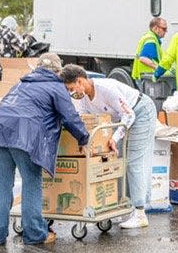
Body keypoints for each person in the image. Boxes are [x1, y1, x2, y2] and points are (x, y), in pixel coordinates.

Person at [0, 53, 89, 246]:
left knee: (1, 185)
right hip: (24, 137)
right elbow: (70, 116)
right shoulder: (55, 86)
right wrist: (84, 138)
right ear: (58, 71)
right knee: (31, 182)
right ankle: (35, 234)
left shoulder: (21, 84)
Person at [60, 64, 157, 229]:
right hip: (120, 120)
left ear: (79, 81)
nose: (71, 93)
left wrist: (115, 137)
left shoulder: (106, 88)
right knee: (115, 160)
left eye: (71, 88)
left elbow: (129, 114)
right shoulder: (83, 97)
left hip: (140, 112)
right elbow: (86, 119)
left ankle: (140, 212)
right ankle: (123, 207)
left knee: (134, 161)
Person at [131, 17, 167, 86]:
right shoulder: (151, 39)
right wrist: (159, 69)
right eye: (164, 29)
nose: (166, 31)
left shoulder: (148, 36)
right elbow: (143, 58)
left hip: (143, 76)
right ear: (156, 28)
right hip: (147, 77)